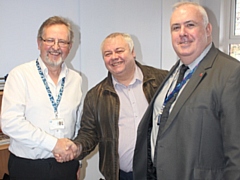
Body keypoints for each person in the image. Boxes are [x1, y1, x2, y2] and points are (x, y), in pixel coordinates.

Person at [133, 2, 240, 180]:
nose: (182, 33)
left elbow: (237, 154)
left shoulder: (231, 73)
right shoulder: (176, 73)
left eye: (190, 25)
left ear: (208, 29)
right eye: (176, 27)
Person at [71, 32, 168, 180]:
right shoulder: (95, 96)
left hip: (161, 174)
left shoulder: (162, 81)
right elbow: (89, 133)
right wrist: (77, 148)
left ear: (133, 52)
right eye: (108, 53)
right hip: (121, 176)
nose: (114, 57)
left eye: (119, 51)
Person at [0, 16, 82, 180]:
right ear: (39, 43)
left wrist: (77, 160)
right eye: (50, 40)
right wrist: (53, 144)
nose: (56, 47)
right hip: (28, 168)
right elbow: (10, 122)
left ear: (70, 46)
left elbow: (78, 123)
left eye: (62, 42)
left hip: (66, 166)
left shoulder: (76, 79)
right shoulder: (20, 75)